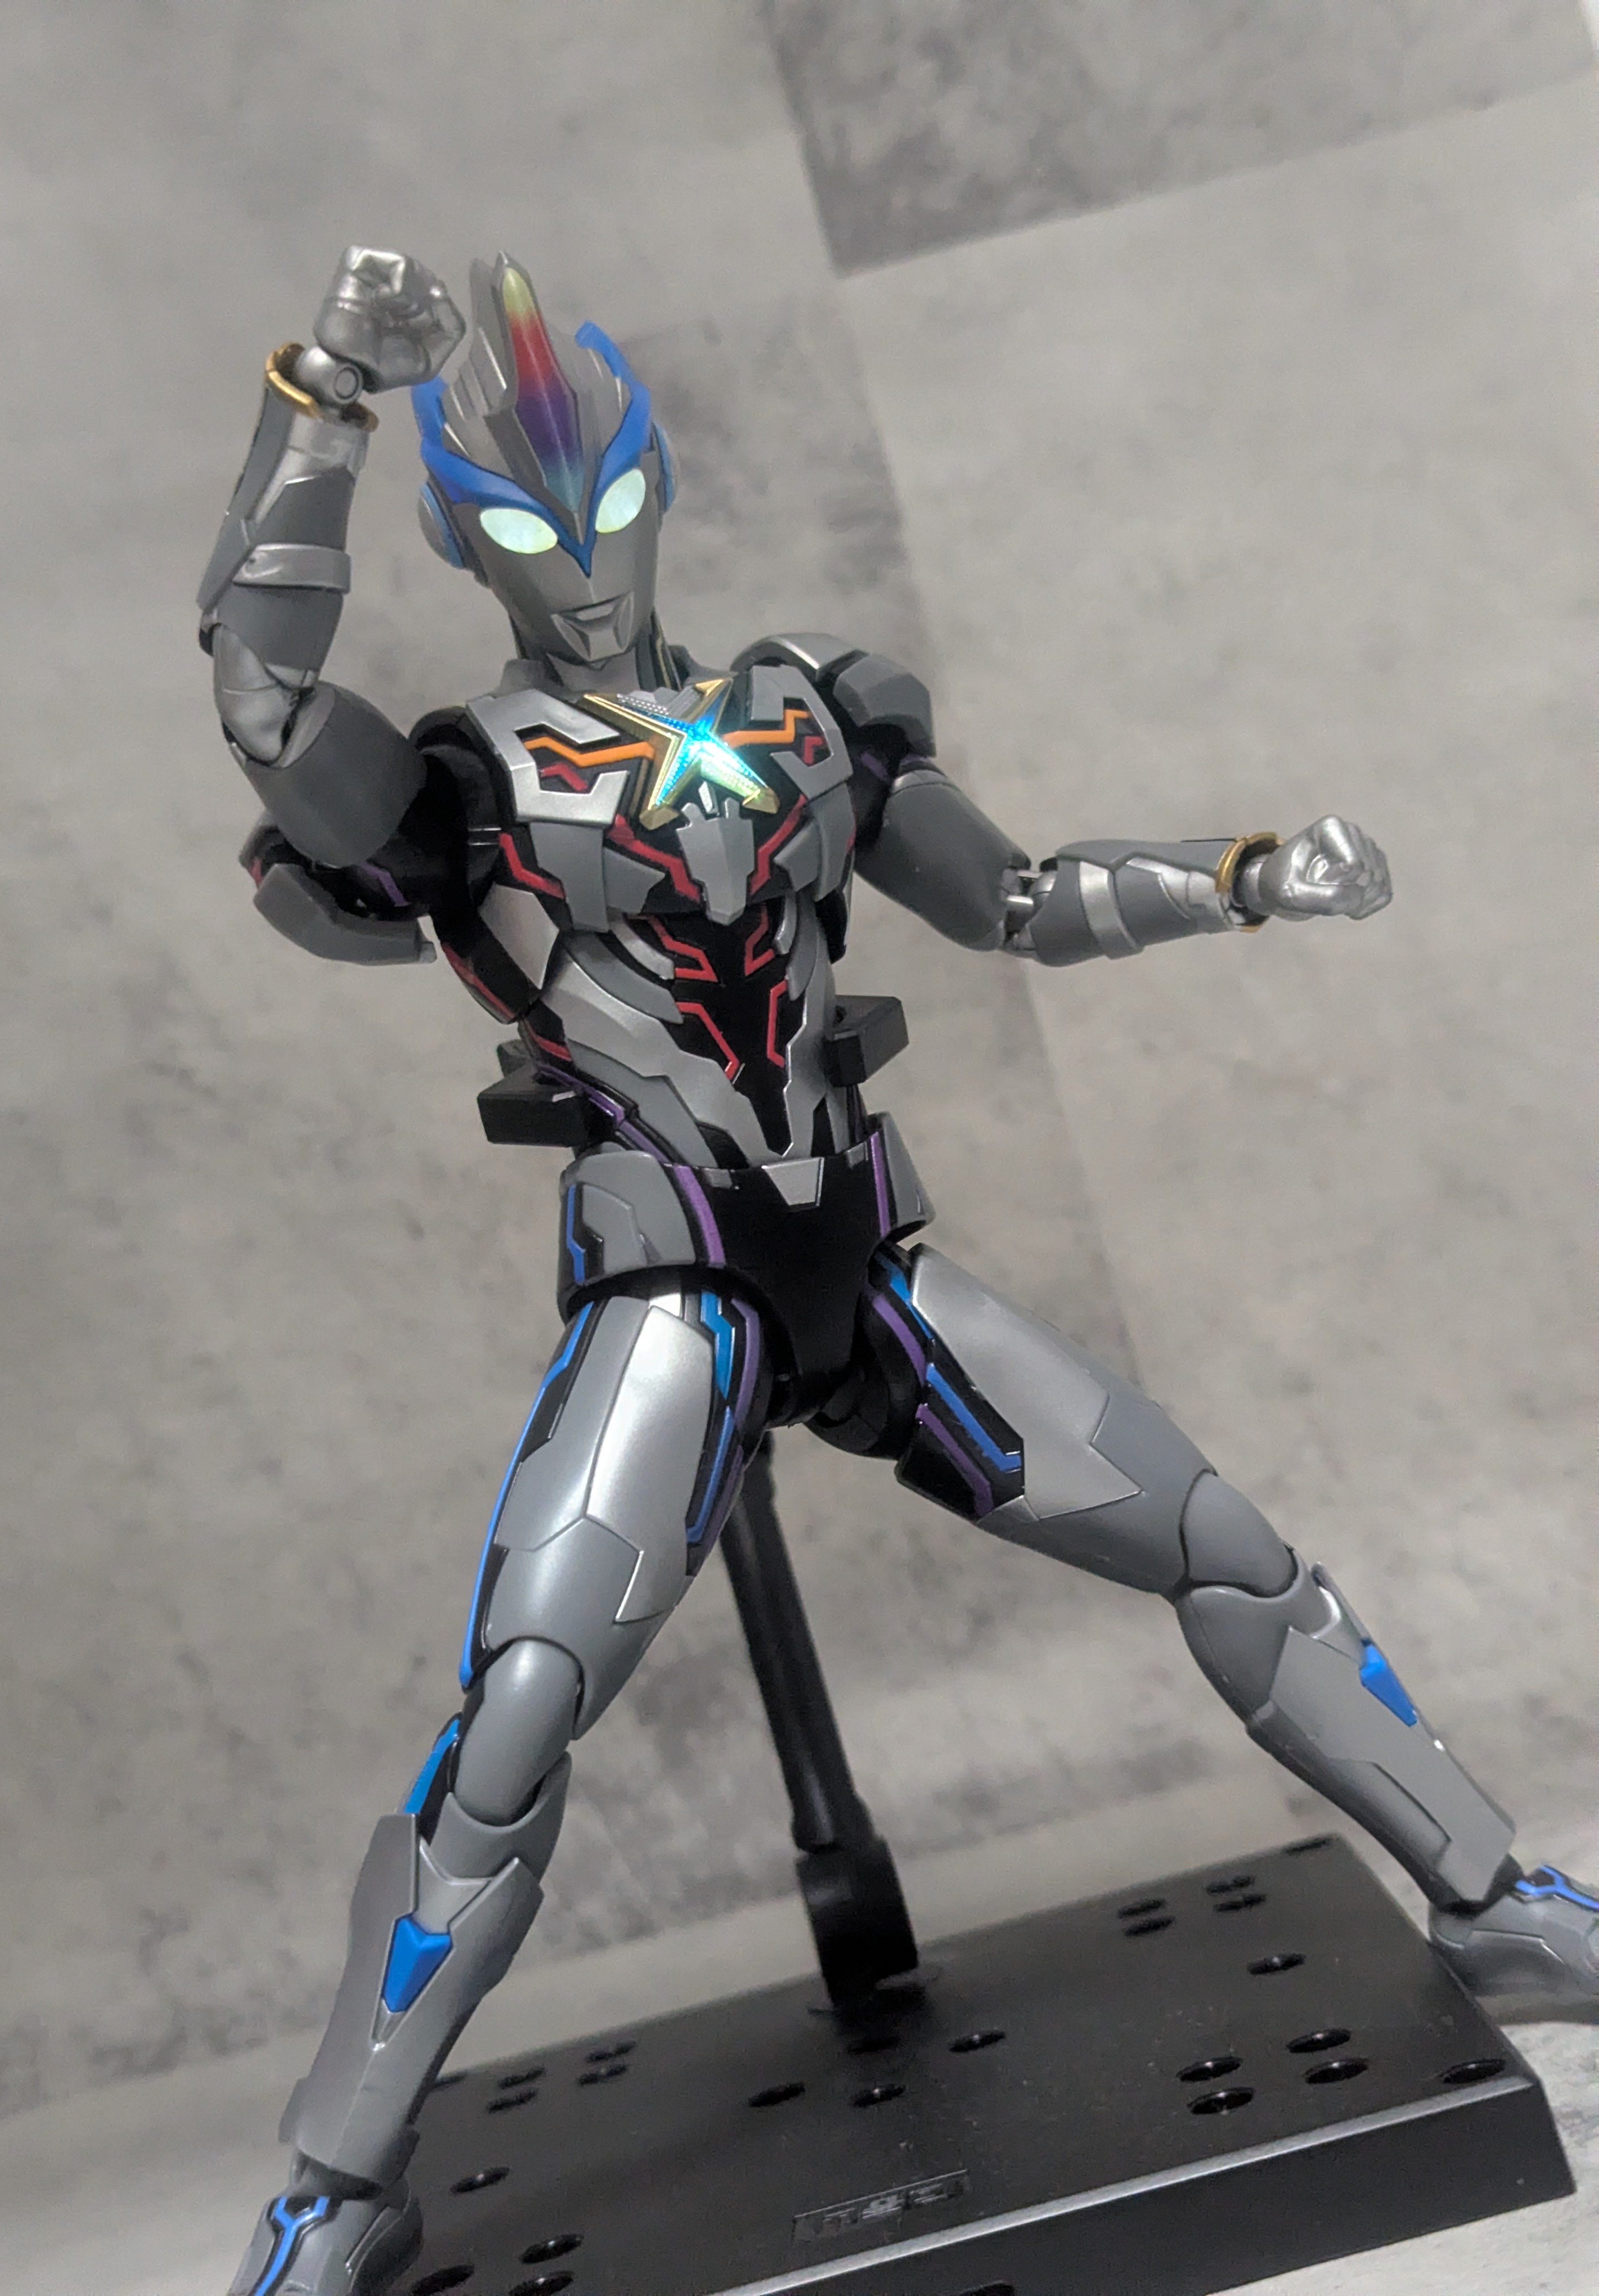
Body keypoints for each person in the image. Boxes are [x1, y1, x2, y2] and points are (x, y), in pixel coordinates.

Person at [198, 248, 1598, 2296]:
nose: (578, 556)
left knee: (1230, 1555)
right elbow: (260, 698)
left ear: (659, 486)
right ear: (460, 538)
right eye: (522, 523)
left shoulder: (804, 711)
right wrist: (322, 390)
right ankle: (338, 2184)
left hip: (866, 1257)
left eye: (607, 503)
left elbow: (1016, 896)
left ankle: (1495, 1907)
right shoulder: (464, 783)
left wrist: (1241, 881)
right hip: (675, 1287)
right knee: (519, 1715)